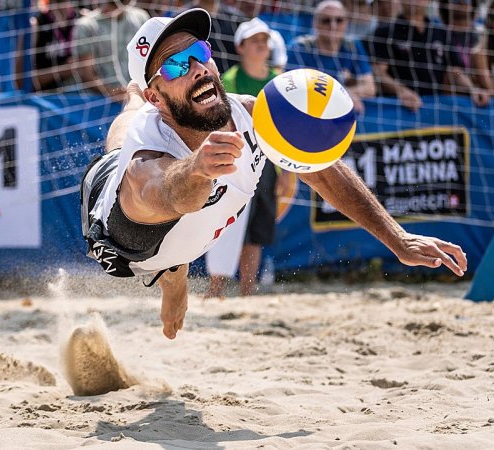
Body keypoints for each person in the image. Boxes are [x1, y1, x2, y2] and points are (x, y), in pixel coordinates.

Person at [80, 8, 467, 340]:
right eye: (177, 65)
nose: (197, 68)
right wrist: (198, 168)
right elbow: (165, 191)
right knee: (124, 133)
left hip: (179, 202)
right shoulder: (146, 159)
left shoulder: (253, 113)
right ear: (158, 95)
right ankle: (173, 271)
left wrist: (398, 238)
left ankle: (174, 265)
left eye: (199, 52)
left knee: (147, 143)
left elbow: (324, 171)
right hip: (122, 236)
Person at [205, 17, 281, 298]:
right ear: (241, 46)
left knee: (257, 231)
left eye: (265, 40)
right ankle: (216, 291)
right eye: (255, 40)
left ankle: (247, 292)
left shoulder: (278, 82)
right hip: (235, 160)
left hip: (270, 163)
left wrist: (290, 176)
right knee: (225, 224)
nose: (262, 45)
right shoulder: (229, 80)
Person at [367, 0, 475, 111]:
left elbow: (455, 71)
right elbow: (379, 72)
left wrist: (472, 89)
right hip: (400, 109)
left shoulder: (440, 31)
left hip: (435, 106)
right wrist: (402, 92)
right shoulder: (385, 32)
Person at [287, 0, 374, 113]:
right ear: (315, 23)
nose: (333, 26)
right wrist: (343, 95)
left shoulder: (352, 46)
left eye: (339, 20)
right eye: (326, 21)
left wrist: (347, 92)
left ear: (347, 23)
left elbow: (370, 87)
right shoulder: (300, 47)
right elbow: (293, 90)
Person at [70, 0, 149, 100]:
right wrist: (112, 93)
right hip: (101, 101)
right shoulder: (86, 26)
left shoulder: (140, 17)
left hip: (141, 95)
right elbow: (86, 73)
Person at [29, 0, 78, 91]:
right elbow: (27, 80)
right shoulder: (37, 23)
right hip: (46, 96)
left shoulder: (79, 20)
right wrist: (60, 72)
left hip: (77, 92)